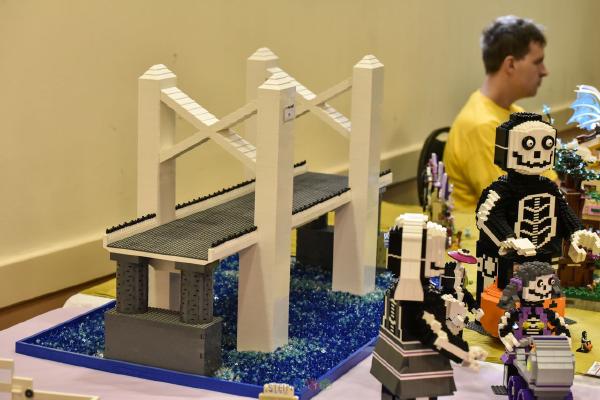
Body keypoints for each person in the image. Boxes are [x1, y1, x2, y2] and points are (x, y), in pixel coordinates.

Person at [443, 15, 554, 211]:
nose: (545, 71)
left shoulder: (515, 113)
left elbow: (550, 183)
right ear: (510, 64)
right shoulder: (481, 125)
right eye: (538, 62)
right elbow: (513, 205)